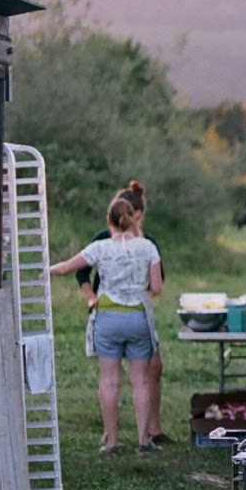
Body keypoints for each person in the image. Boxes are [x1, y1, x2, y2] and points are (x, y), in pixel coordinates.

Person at [51, 195, 163, 454]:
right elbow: (156, 287)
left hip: (107, 320)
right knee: (140, 381)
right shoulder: (147, 247)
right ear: (132, 218)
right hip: (138, 319)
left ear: (109, 221)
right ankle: (143, 440)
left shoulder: (100, 247)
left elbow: (66, 268)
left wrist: (46, 270)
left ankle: (112, 441)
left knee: (110, 381)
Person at [77, 181, 171, 444]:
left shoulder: (147, 244)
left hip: (137, 312)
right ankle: (112, 432)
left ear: (137, 214)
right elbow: (81, 272)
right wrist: (91, 297)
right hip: (110, 311)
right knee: (114, 376)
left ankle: (152, 429)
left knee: (152, 367)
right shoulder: (102, 240)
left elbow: (157, 282)